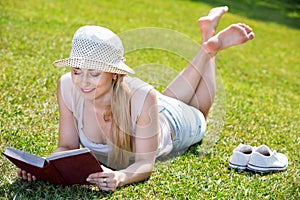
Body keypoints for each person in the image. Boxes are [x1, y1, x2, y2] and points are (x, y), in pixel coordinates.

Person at [17, 6, 254, 191]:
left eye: (94, 73)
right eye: (77, 71)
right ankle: (207, 41)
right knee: (169, 97)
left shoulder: (142, 96)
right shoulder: (67, 87)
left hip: (171, 124)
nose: (83, 82)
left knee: (200, 113)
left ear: (115, 74)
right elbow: (67, 146)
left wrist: (119, 177)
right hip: (152, 107)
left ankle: (210, 48)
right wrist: (43, 167)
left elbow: (144, 164)